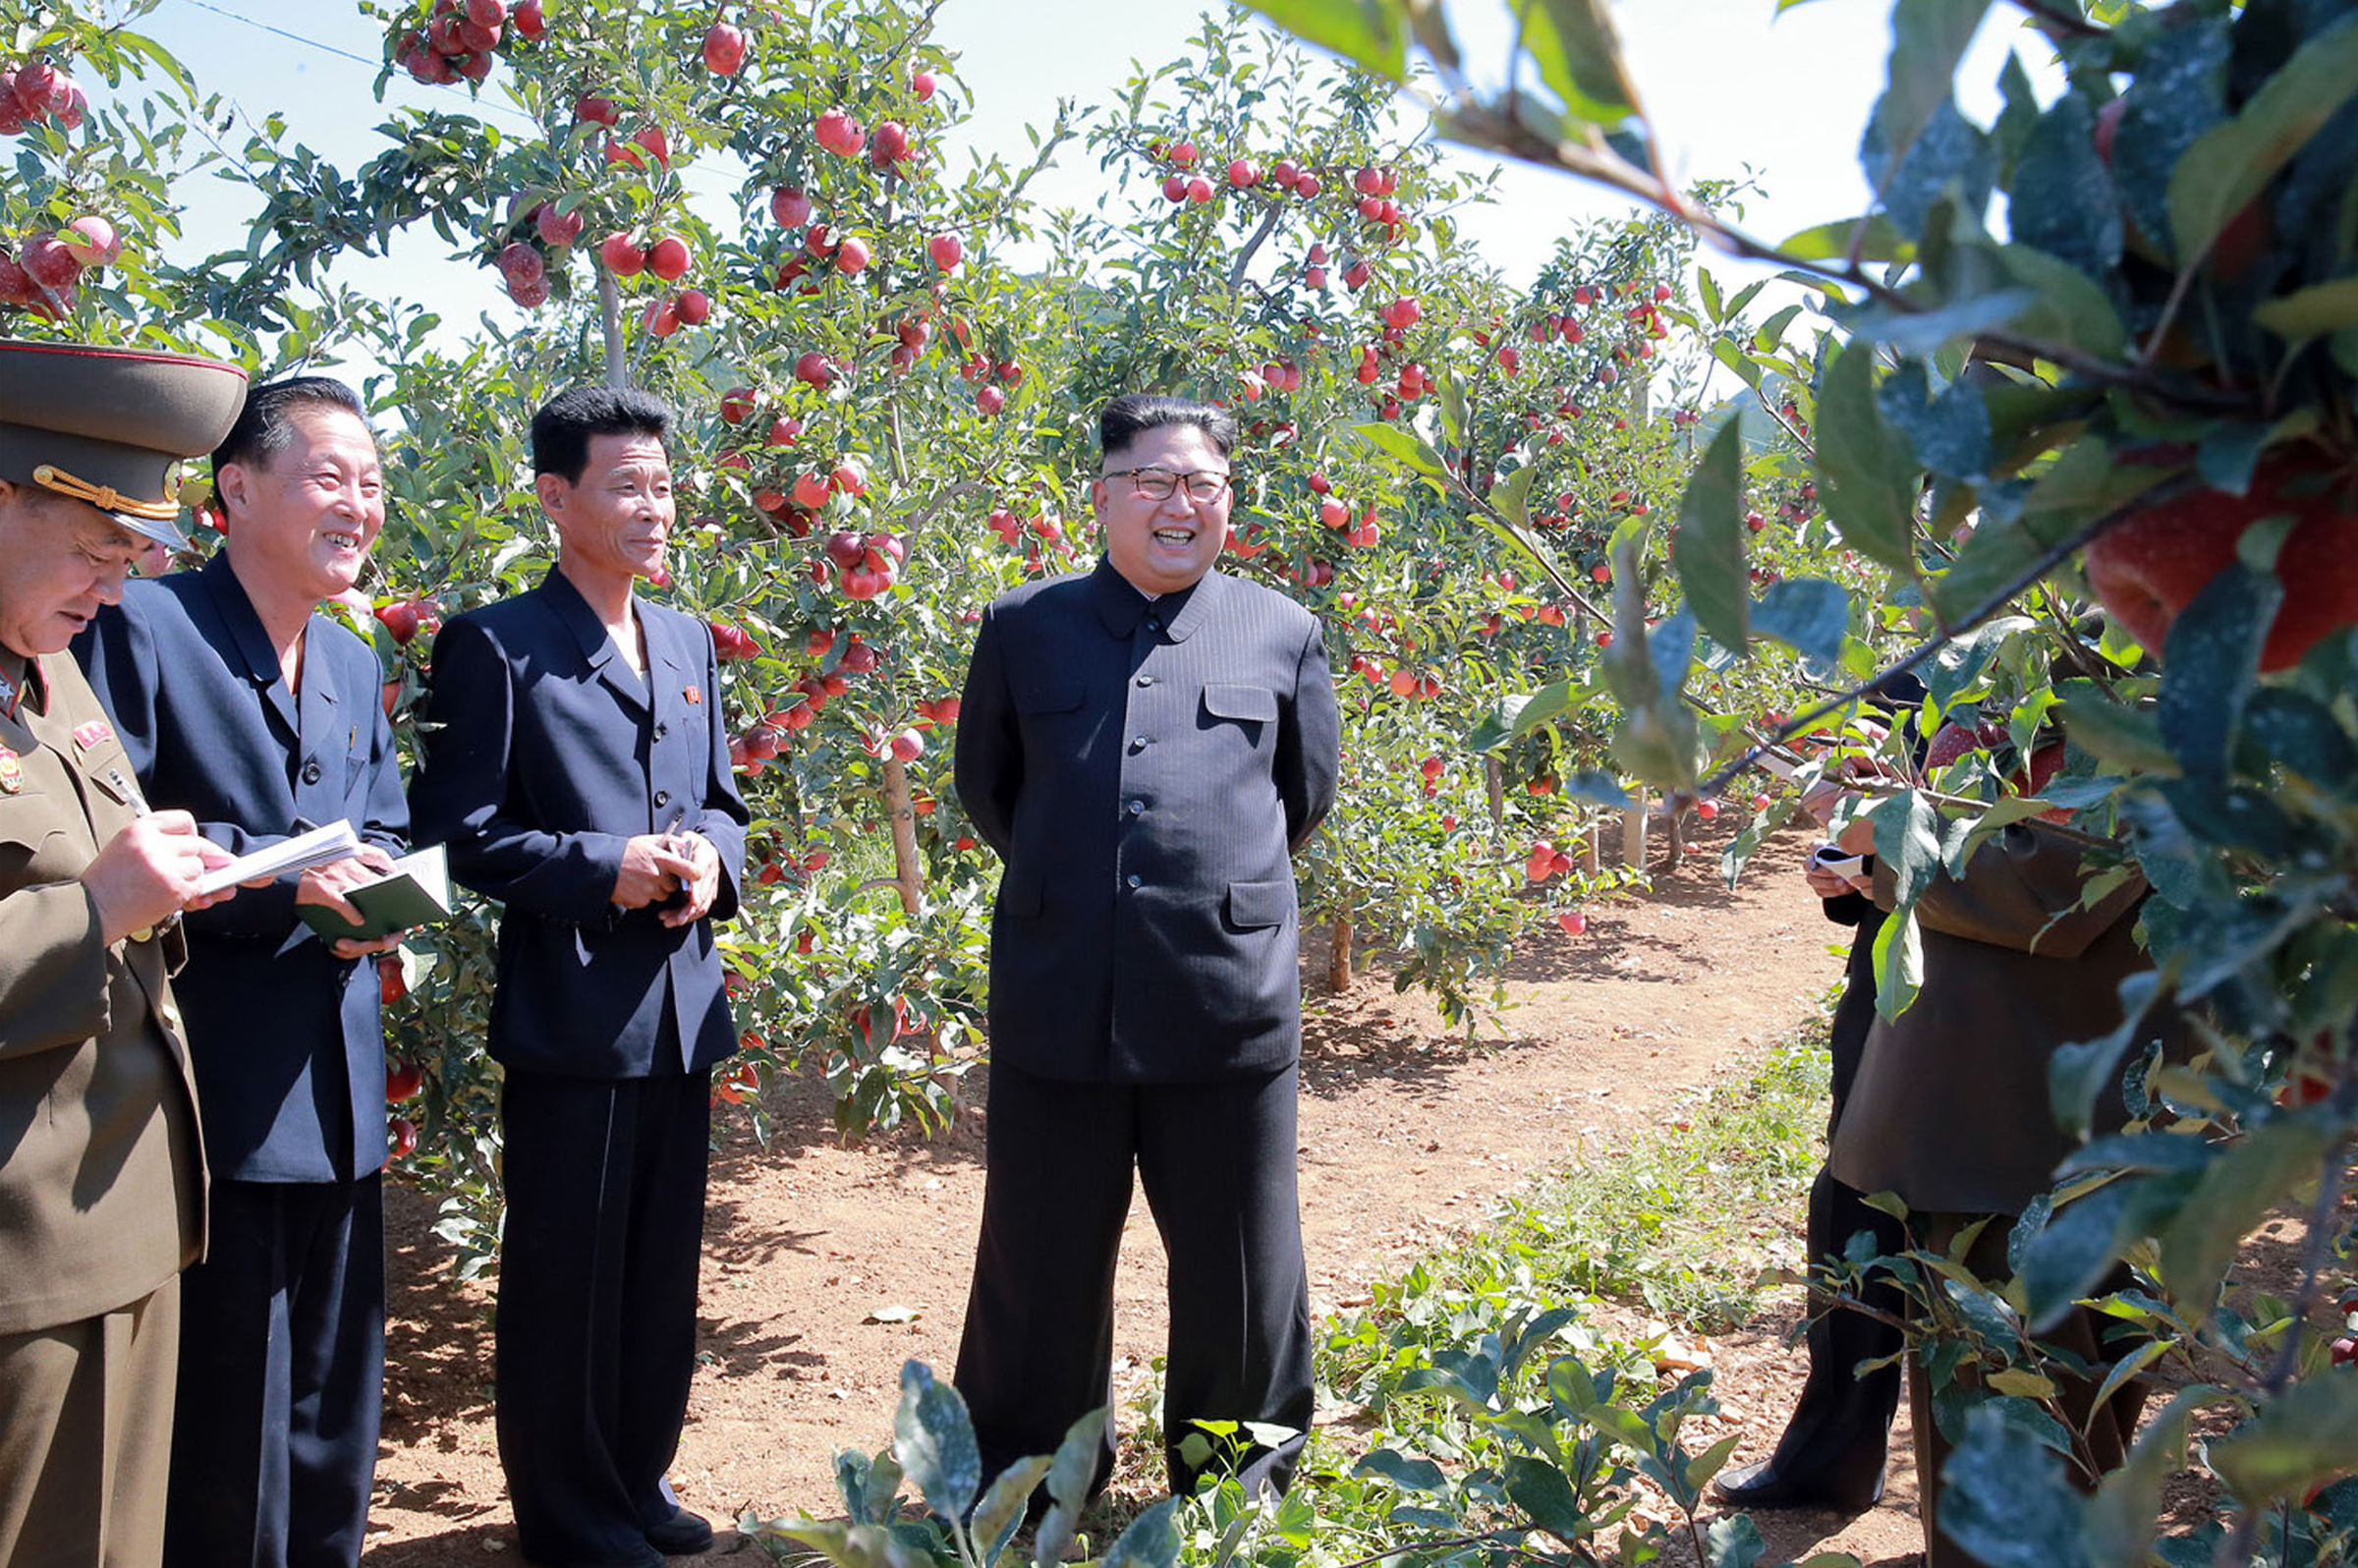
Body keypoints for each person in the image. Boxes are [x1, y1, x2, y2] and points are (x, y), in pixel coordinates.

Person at [950, 391, 1342, 1501]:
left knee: (1239, 1275)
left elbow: (1298, 799)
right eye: (1156, 481)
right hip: (1058, 994)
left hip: (1224, 1001)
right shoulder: (1023, 626)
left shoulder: (1280, 629)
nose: (1182, 503)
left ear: (1227, 500)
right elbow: (992, 792)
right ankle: (1028, 1490)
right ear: (1105, 495)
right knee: (1040, 1269)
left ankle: (1232, 1496)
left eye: (1203, 484)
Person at [409, 385, 748, 1568]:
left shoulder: (692, 639)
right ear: (557, 498)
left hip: (680, 1012)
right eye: (627, 484)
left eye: (662, 483)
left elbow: (724, 802)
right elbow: (458, 835)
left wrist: (712, 856)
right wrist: (606, 864)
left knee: (657, 1270)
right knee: (567, 1274)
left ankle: (636, 1482)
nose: (655, 506)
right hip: (571, 1016)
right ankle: (570, 1515)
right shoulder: (496, 643)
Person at [75, 375, 411, 1568]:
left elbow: (382, 821)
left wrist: (385, 897)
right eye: (331, 478)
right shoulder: (146, 627)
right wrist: (282, 885)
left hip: (338, 1093)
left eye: (372, 484)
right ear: (236, 489)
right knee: (228, 1417)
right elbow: (113, 836)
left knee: (331, 1404)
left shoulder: (352, 664)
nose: (360, 506)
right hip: (210, 1089)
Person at [0, 336, 251, 1565]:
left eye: (135, 552)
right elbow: (74, 902)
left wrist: (155, 886)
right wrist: (94, 909)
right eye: (99, 542)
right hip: (20, 1259)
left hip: (127, 1217)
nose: (118, 583)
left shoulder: (46, 669)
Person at [1826, 787, 2175, 1568]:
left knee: (2009, 1372)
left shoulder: (2128, 683)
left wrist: (1890, 839)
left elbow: (2055, 879)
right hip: (2054, 1091)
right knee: (2077, 1362)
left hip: (2014, 1109)